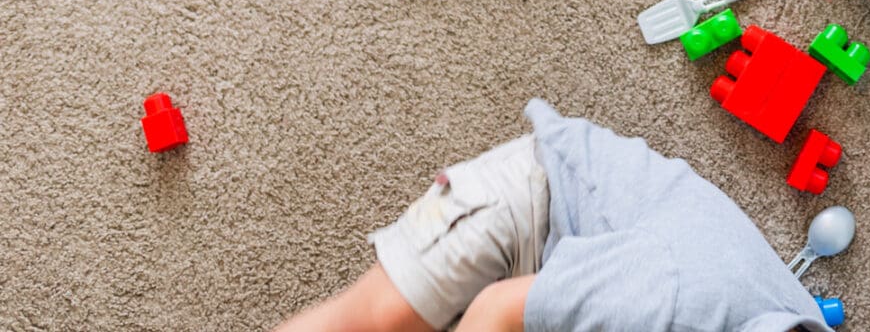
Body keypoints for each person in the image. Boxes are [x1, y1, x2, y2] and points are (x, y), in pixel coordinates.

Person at [272, 99, 835, 332]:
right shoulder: (668, 298)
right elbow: (496, 310)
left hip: (586, 267)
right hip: (529, 204)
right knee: (370, 320)